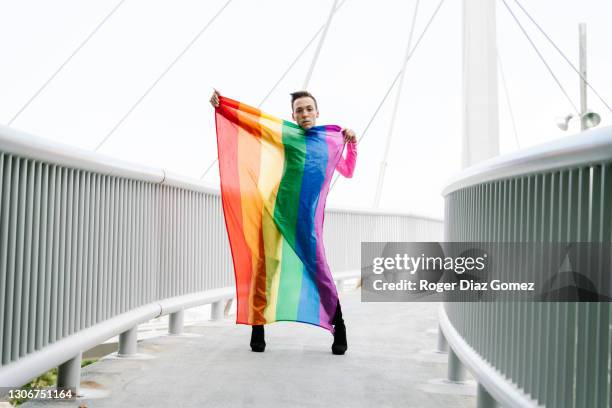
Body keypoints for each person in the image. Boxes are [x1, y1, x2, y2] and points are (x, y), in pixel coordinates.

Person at [210, 89, 357, 355]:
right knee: (266, 267)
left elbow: (347, 171)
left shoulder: (331, 140)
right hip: (275, 210)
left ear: (317, 111)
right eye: (299, 110)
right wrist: (225, 108)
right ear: (293, 115)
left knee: (319, 269)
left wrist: (352, 143)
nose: (304, 114)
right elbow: (255, 124)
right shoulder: (288, 134)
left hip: (304, 218)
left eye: (308, 109)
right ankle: (258, 326)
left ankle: (339, 325)